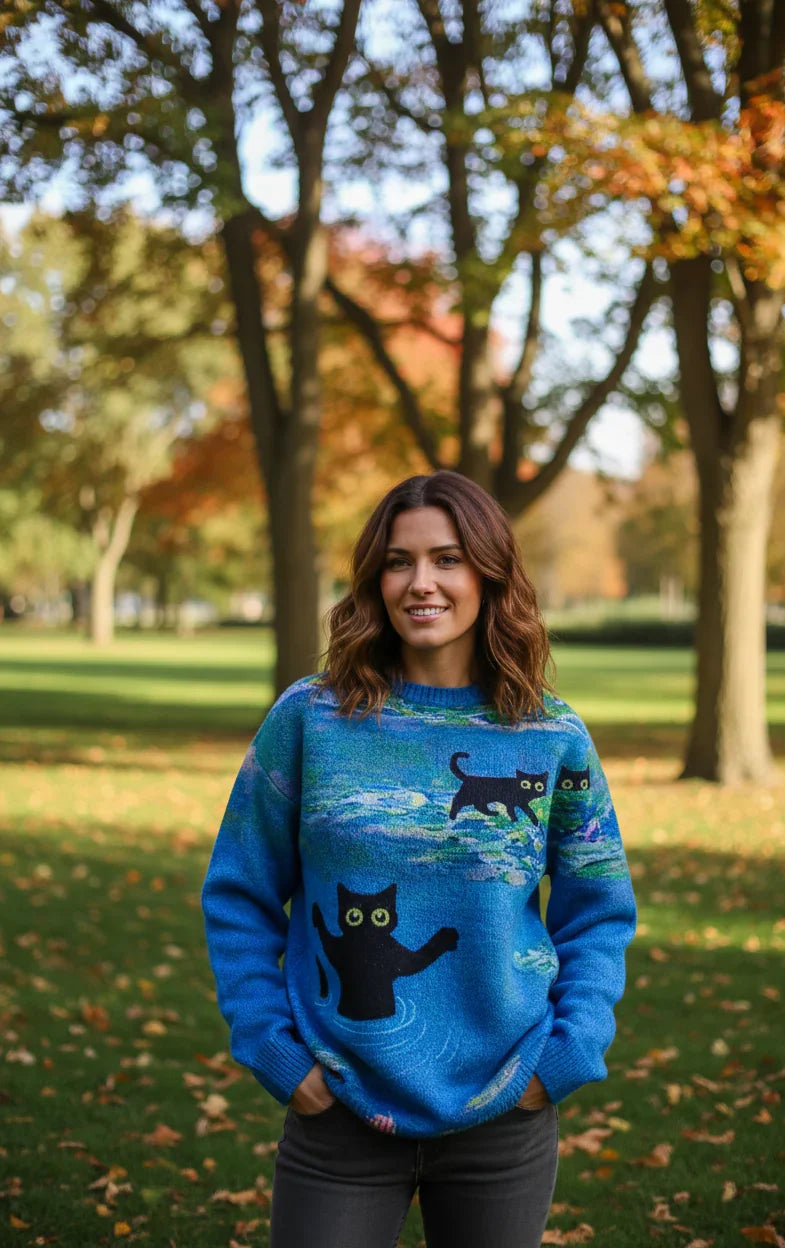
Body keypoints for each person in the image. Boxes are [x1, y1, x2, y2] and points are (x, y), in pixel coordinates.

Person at [202, 470, 637, 1248]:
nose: (421, 583)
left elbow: (598, 907)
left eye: (447, 559)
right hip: (337, 1113)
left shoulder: (549, 735)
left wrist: (566, 1057)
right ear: (375, 580)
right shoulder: (311, 719)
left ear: (489, 575)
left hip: (506, 1112)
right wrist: (274, 1050)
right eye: (399, 562)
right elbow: (239, 891)